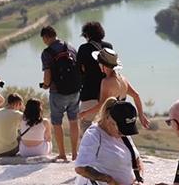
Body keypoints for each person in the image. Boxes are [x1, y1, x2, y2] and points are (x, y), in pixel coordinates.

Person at [77, 48, 150, 129]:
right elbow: (136, 95)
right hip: (120, 122)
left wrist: (85, 113)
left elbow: (102, 105)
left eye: (99, 62)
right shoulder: (122, 79)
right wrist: (141, 114)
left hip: (110, 123)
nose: (98, 65)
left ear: (104, 65)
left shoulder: (106, 82)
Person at [40, 26, 80, 161]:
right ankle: (75, 154)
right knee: (74, 121)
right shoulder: (70, 47)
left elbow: (47, 75)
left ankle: (62, 153)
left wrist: (46, 86)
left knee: (57, 122)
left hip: (57, 92)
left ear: (46, 37)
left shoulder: (47, 53)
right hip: (75, 90)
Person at [76, 21, 113, 133]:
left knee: (86, 126)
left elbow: (79, 71)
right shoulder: (108, 47)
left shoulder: (84, 48)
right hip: (107, 93)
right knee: (107, 127)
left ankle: (90, 150)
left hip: (89, 92)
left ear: (87, 35)